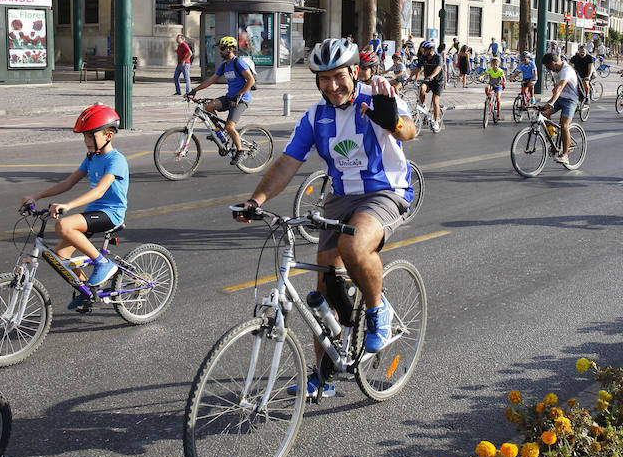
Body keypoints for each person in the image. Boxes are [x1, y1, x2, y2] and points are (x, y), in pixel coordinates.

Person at [234, 37, 416, 397]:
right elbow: (289, 162)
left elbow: (409, 130)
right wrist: (256, 200)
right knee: (324, 288)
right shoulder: (316, 116)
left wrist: (391, 120)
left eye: (339, 77)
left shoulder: (378, 95)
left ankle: (378, 311)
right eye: (324, 79)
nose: (332, 86)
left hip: (384, 193)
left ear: (353, 72)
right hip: (340, 198)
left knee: (354, 244)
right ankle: (324, 374)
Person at [20, 105, 129, 309]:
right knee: (60, 257)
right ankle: (88, 291)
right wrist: (36, 196)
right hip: (93, 214)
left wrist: (67, 205)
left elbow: (99, 192)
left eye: (90, 136)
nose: (86, 141)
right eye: (84, 137)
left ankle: (103, 263)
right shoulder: (91, 158)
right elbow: (67, 183)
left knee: (63, 226)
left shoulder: (116, 160)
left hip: (110, 214)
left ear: (109, 135)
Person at [186, 36, 255, 166]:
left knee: (230, 126)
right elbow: (210, 80)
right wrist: (195, 90)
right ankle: (219, 132)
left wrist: (239, 94)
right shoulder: (224, 66)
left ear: (230, 49)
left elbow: (251, 80)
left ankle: (240, 151)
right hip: (230, 97)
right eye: (220, 49)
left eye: (222, 49)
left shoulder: (238, 63)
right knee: (208, 107)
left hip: (241, 99)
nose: (220, 51)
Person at [540, 52, 580, 164]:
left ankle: (565, 155)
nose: (549, 70)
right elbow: (556, 88)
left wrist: (551, 102)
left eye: (549, 67)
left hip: (570, 100)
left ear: (553, 63)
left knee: (564, 125)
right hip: (560, 98)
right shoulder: (556, 70)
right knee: (544, 114)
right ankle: (553, 136)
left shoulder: (566, 70)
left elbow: (561, 87)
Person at [411, 40, 444, 129]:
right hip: (428, 80)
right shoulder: (423, 57)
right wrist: (409, 77)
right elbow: (417, 68)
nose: (423, 51)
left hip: (438, 81)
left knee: (435, 101)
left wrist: (432, 75)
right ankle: (423, 105)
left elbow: (438, 68)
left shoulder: (438, 57)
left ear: (431, 50)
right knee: (422, 88)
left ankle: (436, 122)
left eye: (425, 49)